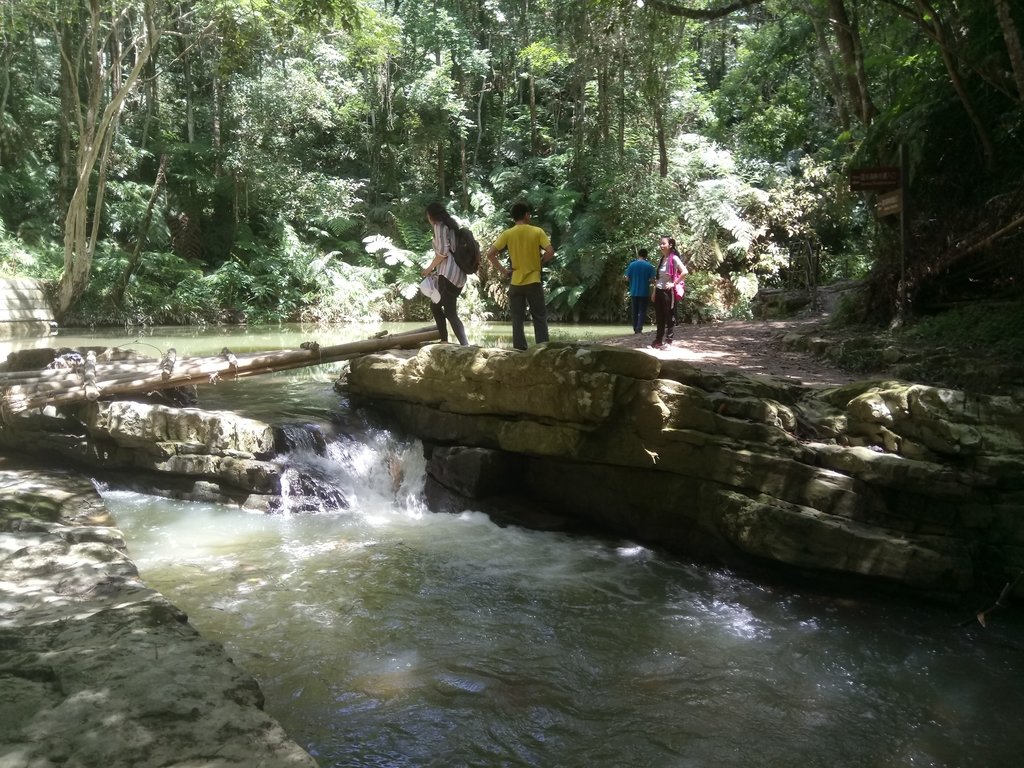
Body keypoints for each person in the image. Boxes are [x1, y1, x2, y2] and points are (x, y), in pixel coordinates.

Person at [484, 201, 555, 351]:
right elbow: (550, 251)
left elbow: (490, 254)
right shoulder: (537, 231)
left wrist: (504, 271)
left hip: (515, 283)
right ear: (526, 215)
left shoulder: (508, 234)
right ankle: (542, 349)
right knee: (539, 318)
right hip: (533, 282)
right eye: (529, 214)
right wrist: (540, 261)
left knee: (517, 320)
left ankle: (519, 351)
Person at [422, 202, 470, 346]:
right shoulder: (451, 227)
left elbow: (442, 253)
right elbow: (446, 253)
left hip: (449, 275)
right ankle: (445, 341)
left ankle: (464, 345)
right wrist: (435, 271)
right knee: (437, 306)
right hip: (457, 275)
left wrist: (428, 269)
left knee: (449, 311)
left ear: (431, 216)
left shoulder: (439, 226)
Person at [652, 235, 687, 349]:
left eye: (663, 243)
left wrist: (674, 283)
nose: (661, 246)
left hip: (668, 291)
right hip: (659, 290)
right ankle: (658, 340)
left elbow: (685, 272)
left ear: (670, 245)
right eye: (660, 244)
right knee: (659, 316)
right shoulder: (662, 259)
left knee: (669, 316)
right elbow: (658, 278)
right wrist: (654, 292)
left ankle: (669, 341)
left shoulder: (674, 258)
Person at [624, 248, 657, 334]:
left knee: (634, 311)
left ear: (638, 255)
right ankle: (639, 328)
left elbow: (627, 278)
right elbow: (653, 280)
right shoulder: (649, 266)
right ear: (646, 256)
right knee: (642, 311)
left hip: (634, 291)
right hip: (644, 292)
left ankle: (635, 328)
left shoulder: (632, 265)